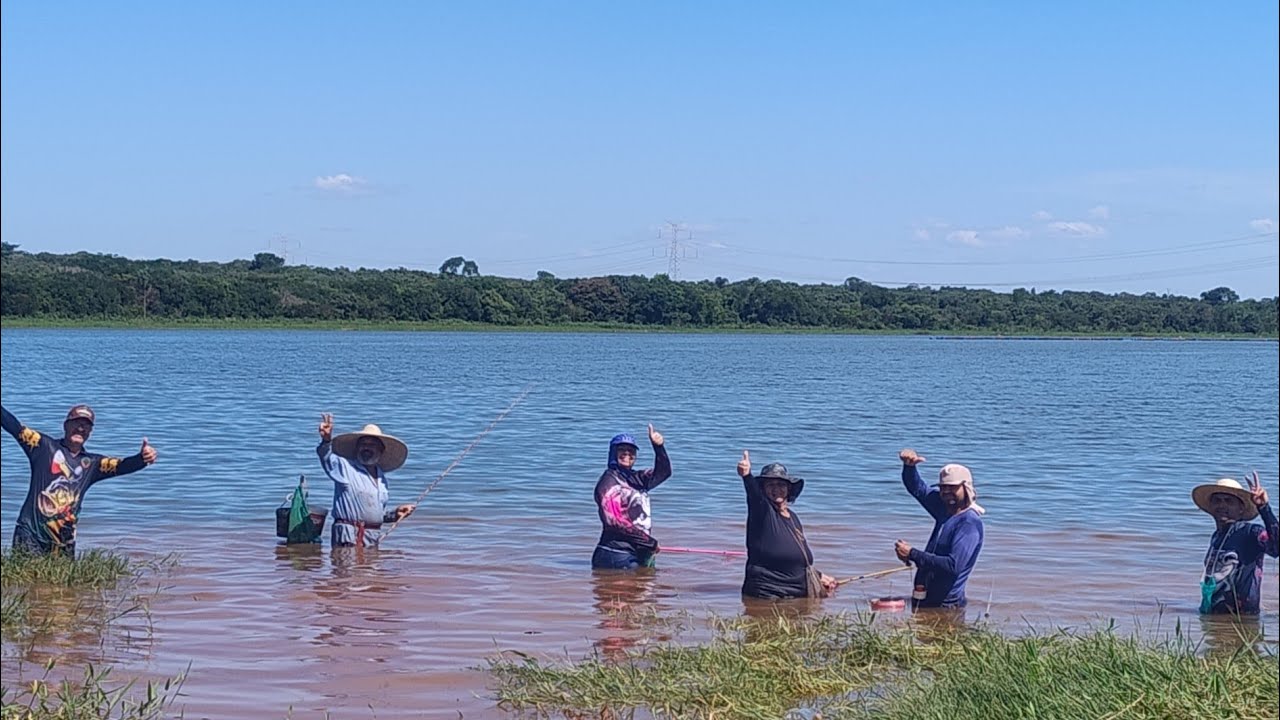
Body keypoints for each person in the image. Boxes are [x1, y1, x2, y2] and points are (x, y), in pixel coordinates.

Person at [1, 404, 158, 557]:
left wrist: (142, 459)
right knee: (26, 583)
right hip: (30, 535)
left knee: (64, 584)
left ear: (90, 431)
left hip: (63, 543)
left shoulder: (93, 464)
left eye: (86, 425)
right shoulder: (43, 447)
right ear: (66, 425)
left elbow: (122, 466)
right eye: (76, 423)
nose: (81, 428)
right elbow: (15, 427)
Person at [736, 450, 836, 599]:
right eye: (770, 485)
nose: (776, 489)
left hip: (795, 594)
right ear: (763, 489)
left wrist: (818, 576)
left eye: (781, 484)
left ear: (788, 489)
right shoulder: (762, 512)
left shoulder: (793, 517)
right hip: (769, 594)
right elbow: (754, 496)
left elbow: (798, 557)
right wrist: (747, 476)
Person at [894, 449, 984, 610]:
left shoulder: (968, 523)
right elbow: (918, 489)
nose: (946, 492)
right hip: (924, 598)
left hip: (945, 606)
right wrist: (909, 467)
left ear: (966, 488)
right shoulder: (944, 509)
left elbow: (953, 565)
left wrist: (912, 554)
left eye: (952, 488)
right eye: (943, 488)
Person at [316, 414, 415, 548]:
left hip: (372, 538)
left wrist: (394, 515)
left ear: (381, 450)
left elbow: (374, 513)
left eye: (372, 445)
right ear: (357, 448)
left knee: (371, 569)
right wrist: (326, 441)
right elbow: (327, 458)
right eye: (363, 444)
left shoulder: (382, 479)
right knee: (346, 569)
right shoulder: (345, 468)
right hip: (348, 536)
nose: (366, 448)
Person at [1193, 472, 1278, 615]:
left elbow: (1276, 548)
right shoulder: (1216, 537)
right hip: (1215, 619)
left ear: (1241, 509)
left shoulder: (1250, 533)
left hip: (1243, 620)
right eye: (1217, 500)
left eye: (1229, 501)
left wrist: (1264, 508)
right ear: (1211, 506)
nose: (1222, 505)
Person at [591, 424, 671, 569]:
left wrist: (659, 447)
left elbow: (664, 472)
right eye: (622, 450)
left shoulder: (637, 478)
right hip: (615, 553)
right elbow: (615, 522)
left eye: (631, 451)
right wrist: (649, 542)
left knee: (645, 588)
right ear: (613, 452)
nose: (627, 454)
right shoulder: (608, 483)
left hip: (637, 550)